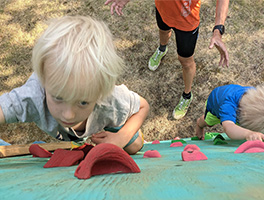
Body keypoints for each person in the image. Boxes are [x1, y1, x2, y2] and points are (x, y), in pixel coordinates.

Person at [0, 16, 149, 155]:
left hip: (104, 125)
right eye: (58, 97)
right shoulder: (34, 95)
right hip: (65, 136)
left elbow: (143, 106)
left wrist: (120, 138)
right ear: (44, 81)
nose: (68, 114)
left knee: (134, 145)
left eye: (83, 102)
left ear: (99, 93)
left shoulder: (110, 100)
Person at [104, 0, 230, 120]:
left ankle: (187, 95)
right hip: (162, 9)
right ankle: (162, 49)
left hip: (186, 22)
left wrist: (218, 30)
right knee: (163, 31)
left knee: (185, 61)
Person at [195, 84, 264, 142]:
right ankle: (199, 124)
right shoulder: (227, 106)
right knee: (209, 122)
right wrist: (247, 133)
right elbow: (229, 128)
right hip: (214, 103)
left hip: (232, 94)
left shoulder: (253, 96)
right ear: (244, 114)